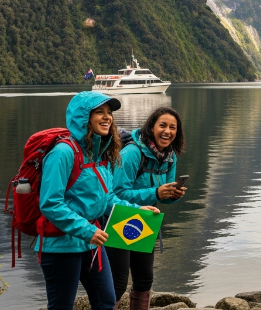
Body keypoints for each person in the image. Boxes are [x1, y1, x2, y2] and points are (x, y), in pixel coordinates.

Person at [37, 91, 159, 310]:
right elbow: (50, 203)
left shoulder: (100, 153)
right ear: (83, 117)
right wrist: (87, 231)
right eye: (99, 112)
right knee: (61, 306)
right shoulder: (63, 152)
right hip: (61, 245)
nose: (107, 117)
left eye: (109, 112)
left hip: (92, 241)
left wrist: (137, 210)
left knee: (106, 301)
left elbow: (107, 198)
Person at [109, 107, 186, 309]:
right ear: (151, 127)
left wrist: (172, 196)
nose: (167, 131)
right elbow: (116, 193)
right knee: (117, 283)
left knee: (144, 279)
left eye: (173, 127)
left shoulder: (170, 157)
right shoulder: (132, 153)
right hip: (119, 217)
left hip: (145, 218)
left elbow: (163, 195)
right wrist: (156, 193)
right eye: (162, 125)